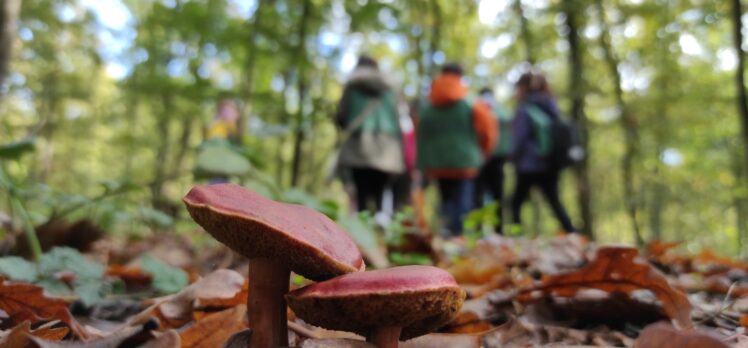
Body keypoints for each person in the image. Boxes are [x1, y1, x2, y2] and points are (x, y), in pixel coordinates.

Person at [416, 63, 497, 236]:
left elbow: (420, 135)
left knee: (446, 200)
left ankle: (447, 234)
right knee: (463, 202)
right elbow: (488, 130)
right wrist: (484, 152)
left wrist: (423, 163)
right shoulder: (471, 104)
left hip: (437, 164)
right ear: (460, 76)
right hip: (464, 162)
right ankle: (459, 238)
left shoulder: (428, 107)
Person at [335, 56, 405, 214]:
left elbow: (342, 117)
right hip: (386, 144)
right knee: (381, 187)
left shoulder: (351, 87)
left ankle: (362, 225)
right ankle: (380, 220)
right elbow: (397, 118)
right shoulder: (389, 88)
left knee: (361, 189)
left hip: (359, 143)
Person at [509, 72, 576, 233]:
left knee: (515, 203)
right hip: (550, 163)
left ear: (523, 88)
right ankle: (573, 234)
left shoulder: (525, 108)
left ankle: (517, 240)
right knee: (554, 202)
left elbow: (520, 137)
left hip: (529, 164)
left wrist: (512, 157)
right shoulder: (550, 104)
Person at [474, 87, 513, 234]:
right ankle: (489, 231)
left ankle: (494, 231)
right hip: (491, 159)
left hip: (488, 159)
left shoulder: (480, 109)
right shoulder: (501, 112)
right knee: (489, 196)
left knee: (487, 196)